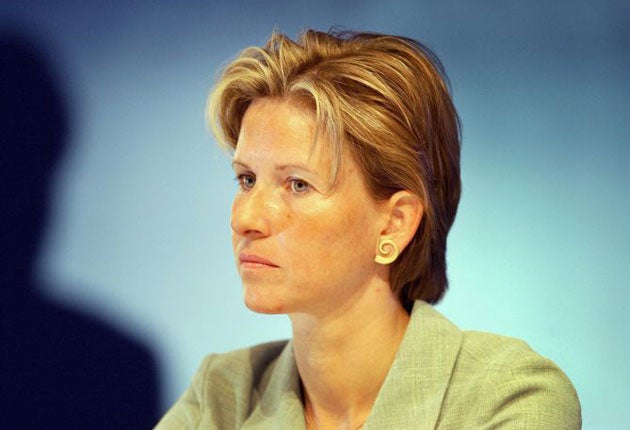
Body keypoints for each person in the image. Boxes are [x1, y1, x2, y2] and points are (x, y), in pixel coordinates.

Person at [155, 29, 581, 429]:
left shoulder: (509, 397)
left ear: (394, 224)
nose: (244, 219)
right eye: (247, 179)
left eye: (298, 184)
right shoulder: (222, 395)